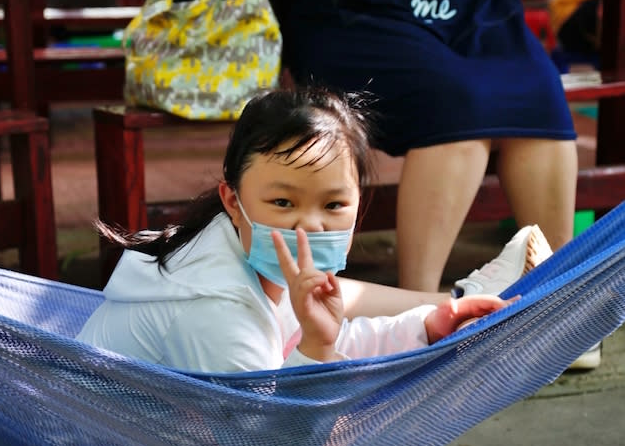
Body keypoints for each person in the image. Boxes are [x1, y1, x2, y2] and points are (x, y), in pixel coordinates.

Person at [77, 87, 536, 373]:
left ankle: (456, 297)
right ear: (233, 201)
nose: (310, 224)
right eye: (283, 202)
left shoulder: (250, 263)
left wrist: (427, 329)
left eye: (334, 204)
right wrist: (317, 346)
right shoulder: (216, 311)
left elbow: (332, 338)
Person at [268, 0, 578, 295]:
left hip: (474, 11)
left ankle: (557, 293)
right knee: (456, 108)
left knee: (541, 94)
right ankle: (417, 307)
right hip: (357, 16)